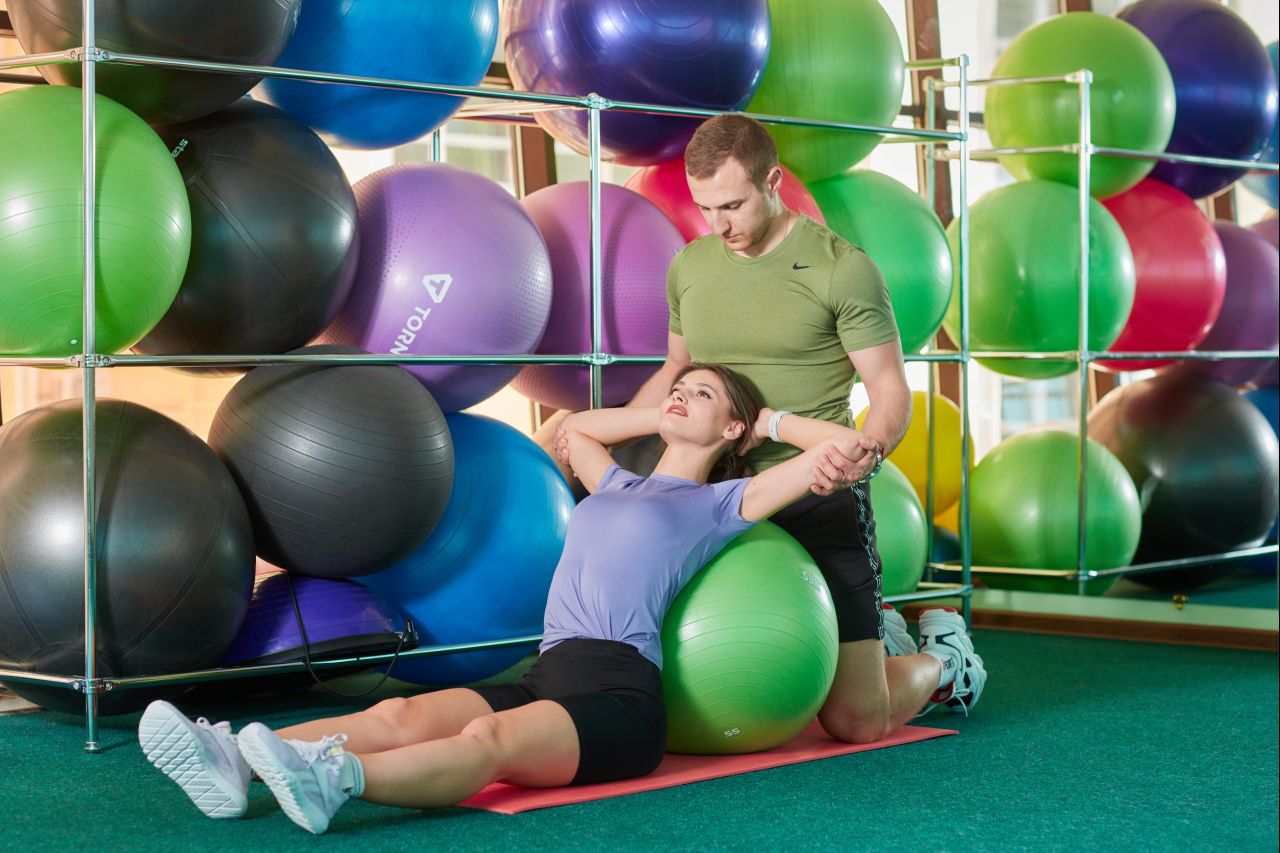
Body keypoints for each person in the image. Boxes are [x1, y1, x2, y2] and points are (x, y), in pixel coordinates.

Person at [138, 363, 944, 835]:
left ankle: (336, 780)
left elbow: (850, 446)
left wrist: (764, 418)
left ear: (732, 431)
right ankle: (232, 759)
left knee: (488, 739)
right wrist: (672, 404)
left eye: (701, 396)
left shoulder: (719, 504)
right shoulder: (616, 482)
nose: (680, 396)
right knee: (402, 712)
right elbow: (575, 431)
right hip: (550, 669)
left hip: (618, 697)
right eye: (681, 387)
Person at [622, 113, 986, 746]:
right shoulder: (690, 266)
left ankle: (946, 659)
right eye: (705, 207)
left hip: (815, 490)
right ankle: (884, 637)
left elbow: (889, 390)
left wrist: (868, 451)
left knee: (856, 721)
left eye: (732, 205)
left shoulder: (842, 269)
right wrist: (609, 442)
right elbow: (675, 373)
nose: (718, 225)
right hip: (711, 493)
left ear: (773, 181)